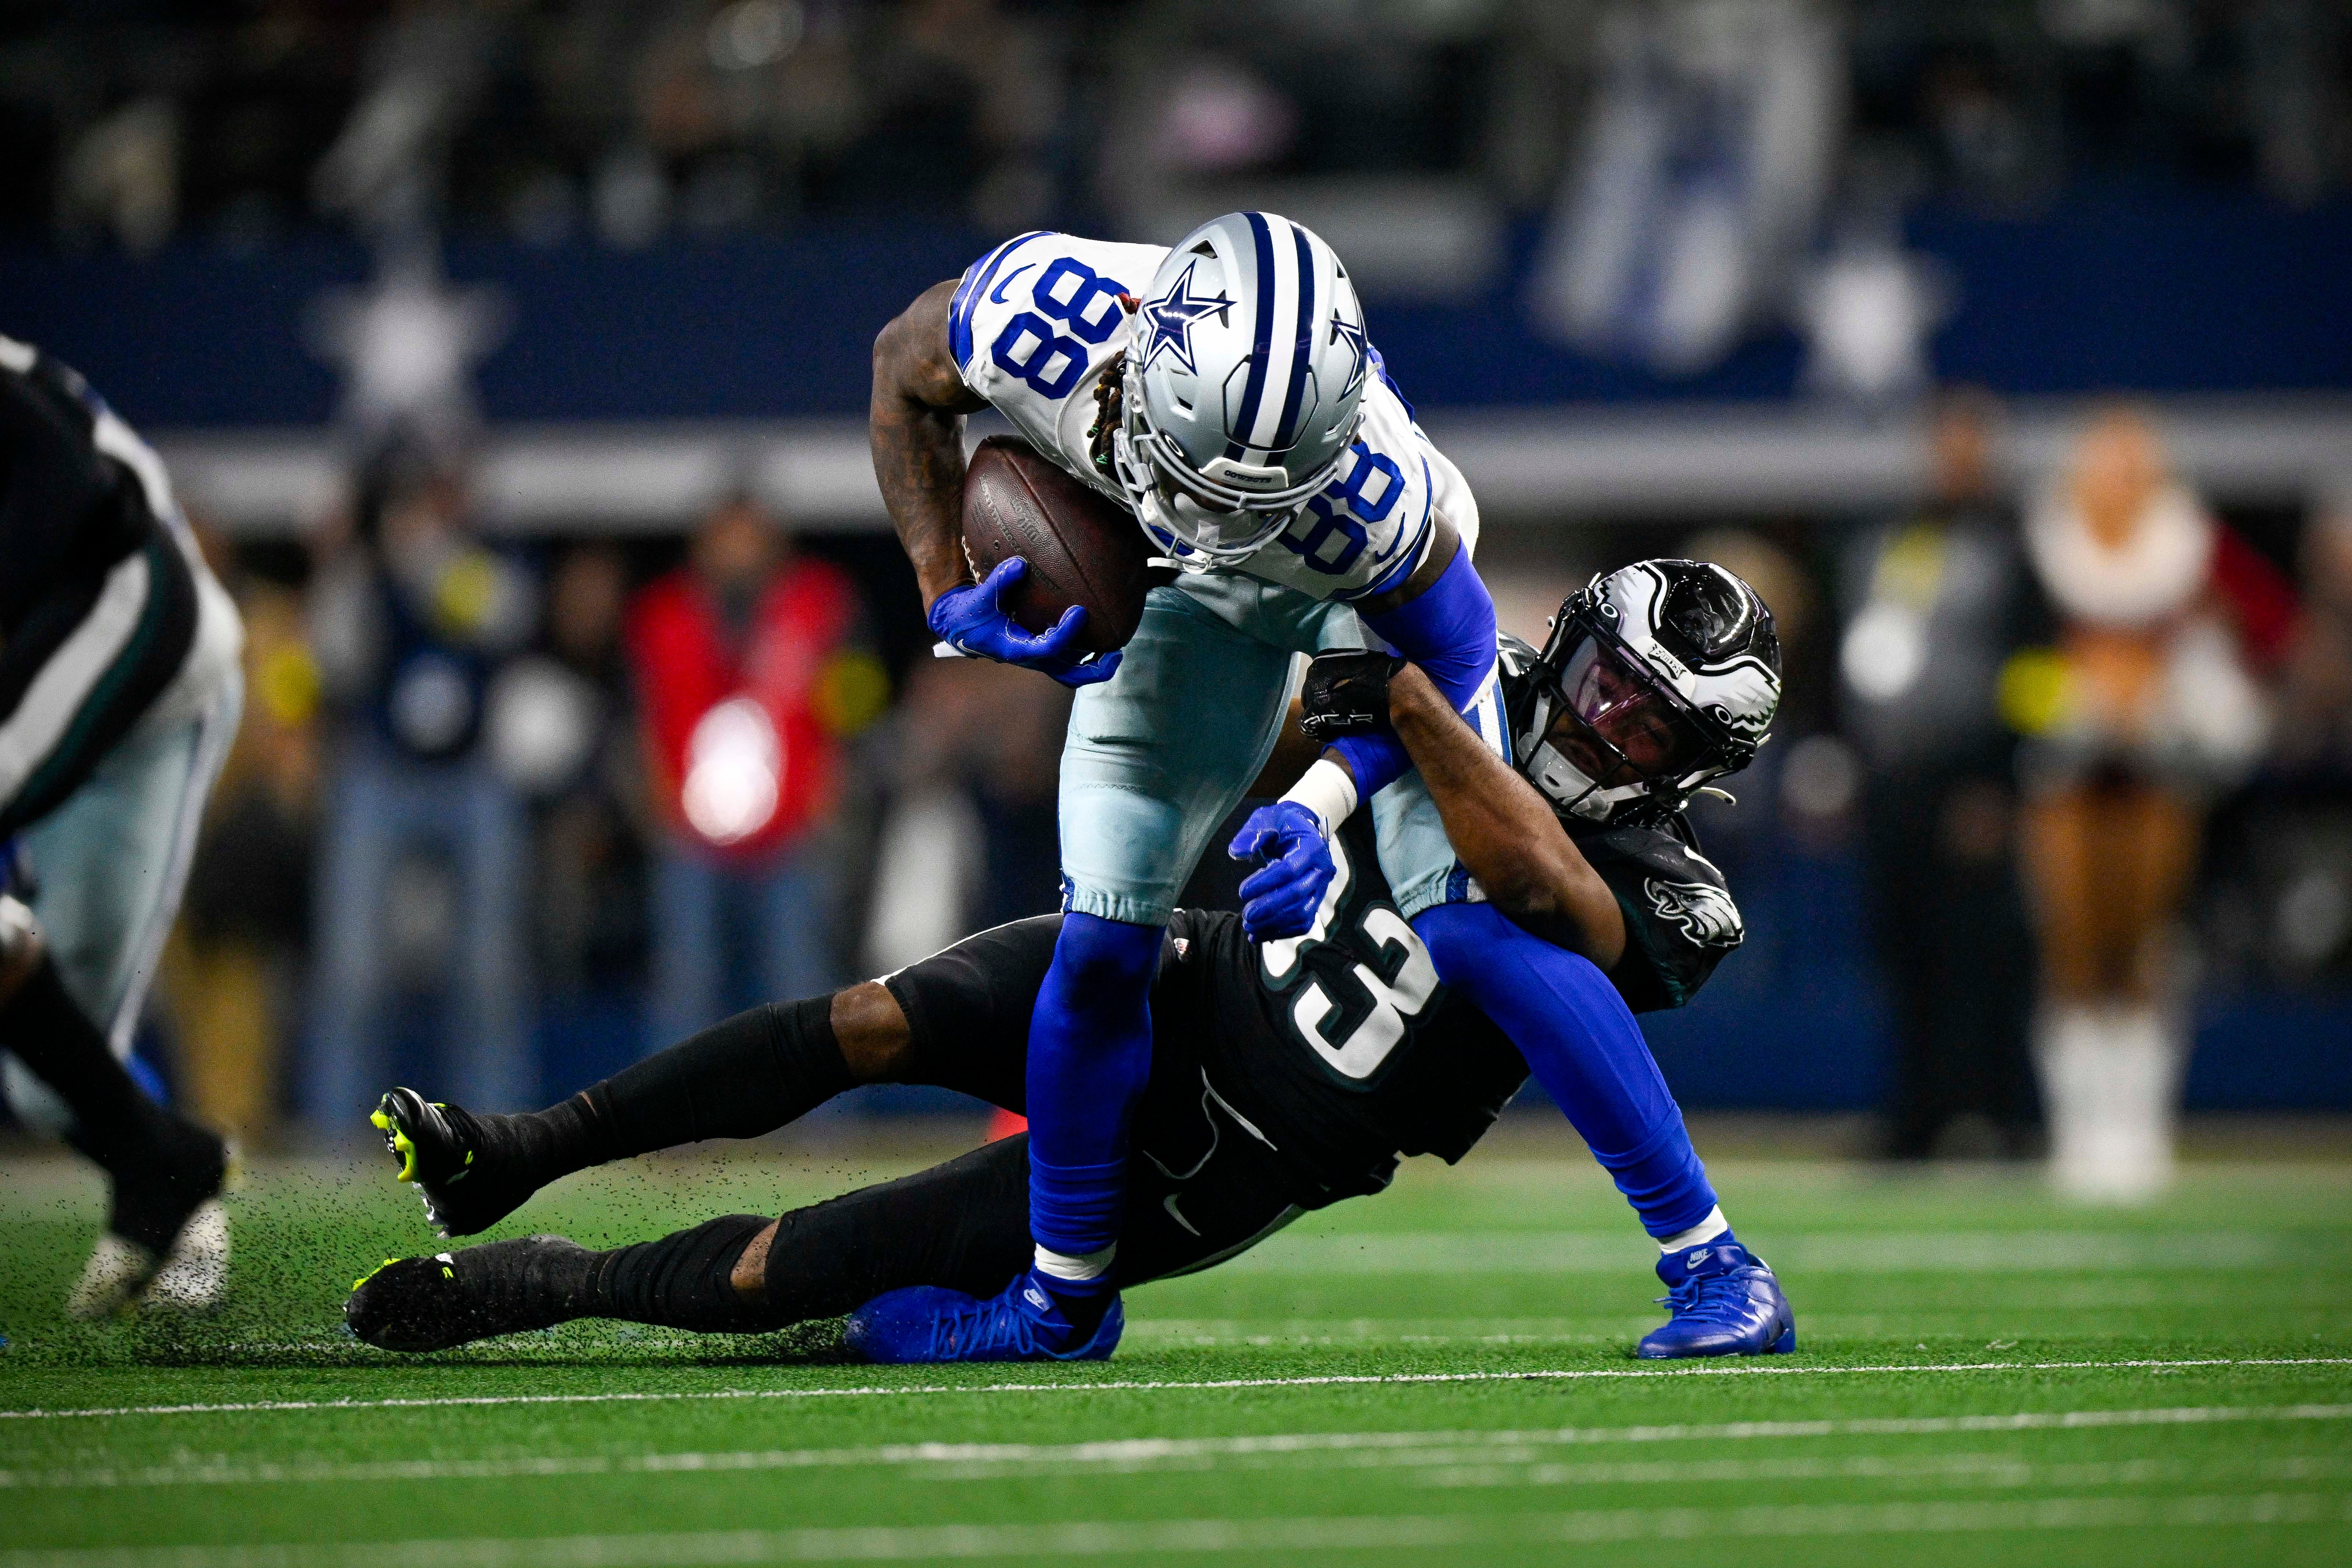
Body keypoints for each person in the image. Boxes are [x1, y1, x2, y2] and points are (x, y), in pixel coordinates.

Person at [353, 561, 1797, 1363]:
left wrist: (1413, 711)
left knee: (799, 1267)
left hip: (1233, 1145)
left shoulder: (1670, 892)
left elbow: (1538, 890)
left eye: (1650, 729)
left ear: (1697, 769)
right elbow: (1281, 709)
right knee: (873, 1016)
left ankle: (541, 1285)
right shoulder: (1462, 681)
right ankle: (520, 1147)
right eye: (1606, 687)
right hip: (1187, 973)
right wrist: (1133, 664)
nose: (1606, 730)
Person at [862, 213, 1509, 1358]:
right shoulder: (1037, 315)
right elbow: (898, 376)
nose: (1218, 515)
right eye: (1198, 475)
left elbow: (1454, 658)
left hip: (1348, 590)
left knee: (1488, 920)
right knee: (1101, 947)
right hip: (1189, 602)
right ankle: (1059, 1304)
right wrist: (936, 587)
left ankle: (1703, 1254)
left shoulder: (1381, 495)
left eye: (1246, 491)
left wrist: (1326, 799)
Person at [0, 334, 245, 1316]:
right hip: (58, 657)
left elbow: (71, 484)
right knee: (45, 1083)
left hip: (137, 629)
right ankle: (166, 1169)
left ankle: (176, 1181)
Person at [2013, 407, 2274, 1200]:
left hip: (2160, 765)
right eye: (2104, 464)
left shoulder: (2192, 546)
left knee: (2146, 942)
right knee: (2072, 945)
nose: (2117, 481)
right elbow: (2011, 658)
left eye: (2133, 466)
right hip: (2065, 765)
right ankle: (2076, 1125)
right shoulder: (2043, 547)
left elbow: (2263, 633)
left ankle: (2141, 1123)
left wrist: (2182, 698)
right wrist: (2073, 699)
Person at [1838, 390, 2046, 1158]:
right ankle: (1916, 1115)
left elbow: (2036, 670)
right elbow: (1863, 647)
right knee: (1905, 950)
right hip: (1894, 780)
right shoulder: (1896, 537)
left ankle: (2003, 1117)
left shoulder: (2015, 543)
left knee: (1983, 956)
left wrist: (2002, 779)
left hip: (1972, 786)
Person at [305, 459, 538, 1129]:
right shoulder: (365, 570)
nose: (428, 508)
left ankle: (497, 1137)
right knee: (353, 969)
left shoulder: (482, 556)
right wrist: (341, 566)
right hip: (381, 775)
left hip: (473, 776)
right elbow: (335, 660)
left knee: (490, 971)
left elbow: (505, 618)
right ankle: (334, 1144)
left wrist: (425, 555)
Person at [625, 493, 876, 1050]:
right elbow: (642, 710)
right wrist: (653, 796)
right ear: (703, 545)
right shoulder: (663, 613)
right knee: (685, 985)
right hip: (690, 835)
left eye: (751, 537)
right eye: (727, 538)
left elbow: (854, 696)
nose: (739, 552)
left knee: (802, 982)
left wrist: (834, 777)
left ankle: (820, 1131)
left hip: (791, 831)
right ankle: (670, 1122)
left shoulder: (819, 601)